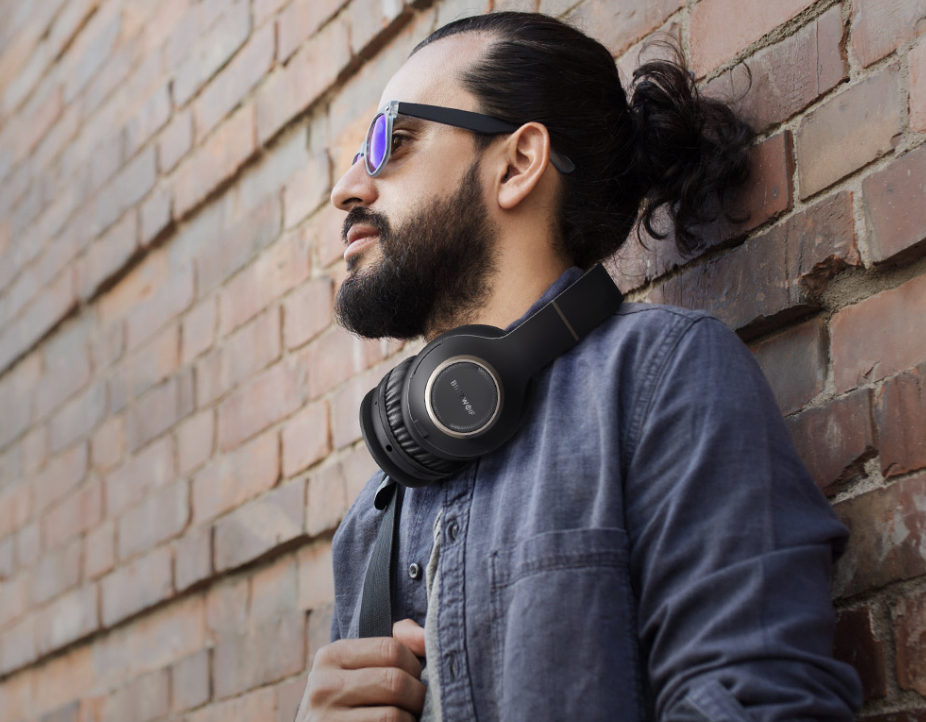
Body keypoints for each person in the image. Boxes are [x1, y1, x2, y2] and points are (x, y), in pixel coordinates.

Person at [295, 12, 862, 722]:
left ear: (517, 164)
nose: (347, 188)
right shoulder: (373, 515)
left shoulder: (659, 378)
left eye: (392, 142)